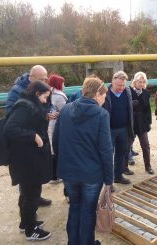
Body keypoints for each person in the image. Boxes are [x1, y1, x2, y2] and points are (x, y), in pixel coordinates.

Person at [53, 76, 113, 245]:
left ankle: (73, 242)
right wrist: (109, 179)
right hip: (91, 175)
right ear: (97, 94)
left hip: (69, 172)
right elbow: (106, 150)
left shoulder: (66, 109)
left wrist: (61, 164)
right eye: (104, 96)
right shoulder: (102, 114)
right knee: (87, 211)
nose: (104, 100)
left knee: (75, 207)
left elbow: (56, 140)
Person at [3, 81, 52, 241]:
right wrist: (33, 136)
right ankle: (32, 231)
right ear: (37, 93)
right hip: (27, 159)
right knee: (32, 194)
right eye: (45, 97)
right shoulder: (24, 106)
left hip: (28, 157)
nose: (45, 101)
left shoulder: (29, 104)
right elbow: (10, 129)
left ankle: (26, 223)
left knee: (26, 193)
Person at [6, 65, 54, 207]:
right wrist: (32, 132)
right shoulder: (18, 93)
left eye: (46, 78)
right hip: (25, 145)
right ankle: (28, 217)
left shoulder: (41, 90)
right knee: (27, 183)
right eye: (42, 79)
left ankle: (35, 199)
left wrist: (44, 115)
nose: (45, 81)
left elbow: (44, 106)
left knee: (35, 179)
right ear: (31, 78)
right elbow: (11, 116)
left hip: (35, 143)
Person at [103, 71, 134, 184]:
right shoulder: (104, 92)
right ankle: (108, 182)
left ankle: (118, 176)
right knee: (107, 156)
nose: (121, 88)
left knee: (121, 153)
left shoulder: (127, 90)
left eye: (123, 85)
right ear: (112, 82)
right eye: (119, 85)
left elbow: (130, 109)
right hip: (108, 130)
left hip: (123, 128)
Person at [128, 72, 154, 175]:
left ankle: (148, 166)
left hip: (142, 122)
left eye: (143, 82)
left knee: (146, 145)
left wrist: (149, 123)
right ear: (134, 82)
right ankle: (125, 166)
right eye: (139, 81)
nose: (141, 84)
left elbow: (148, 109)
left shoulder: (146, 93)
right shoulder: (128, 91)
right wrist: (131, 104)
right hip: (131, 122)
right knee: (127, 145)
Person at [47, 74, 67, 183]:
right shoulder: (59, 96)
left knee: (52, 149)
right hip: (57, 125)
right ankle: (56, 175)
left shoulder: (50, 93)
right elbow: (65, 110)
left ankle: (53, 175)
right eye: (63, 83)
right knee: (57, 149)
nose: (64, 85)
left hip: (51, 124)